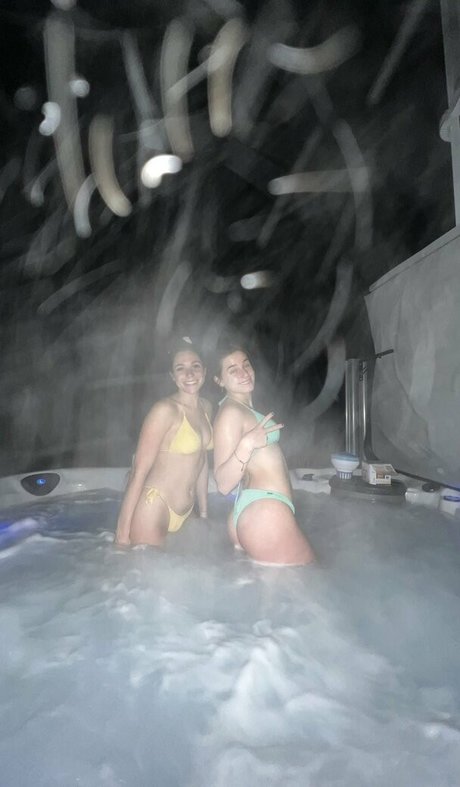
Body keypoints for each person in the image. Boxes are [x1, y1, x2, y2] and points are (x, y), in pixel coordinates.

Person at [213, 343, 315, 565]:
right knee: (311, 575)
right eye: (233, 370)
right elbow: (223, 484)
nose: (244, 373)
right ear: (219, 381)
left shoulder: (241, 409)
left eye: (246, 365)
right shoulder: (231, 412)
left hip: (259, 511)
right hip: (266, 514)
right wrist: (247, 444)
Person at [114, 338, 212, 546]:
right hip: (155, 506)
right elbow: (139, 471)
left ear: (204, 371)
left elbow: (202, 461)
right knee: (147, 567)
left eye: (195, 366)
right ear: (172, 376)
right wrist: (121, 537)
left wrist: (204, 513)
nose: (189, 374)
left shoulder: (206, 408)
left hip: (187, 510)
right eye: (180, 368)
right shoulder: (164, 410)